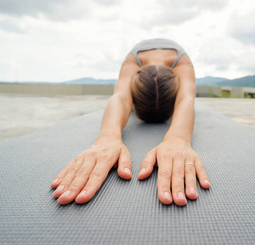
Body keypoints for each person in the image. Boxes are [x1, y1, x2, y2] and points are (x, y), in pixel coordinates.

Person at [50, 38, 210, 206]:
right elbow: (122, 98)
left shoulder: (181, 61)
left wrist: (178, 139)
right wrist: (107, 137)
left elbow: (185, 99)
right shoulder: (134, 59)